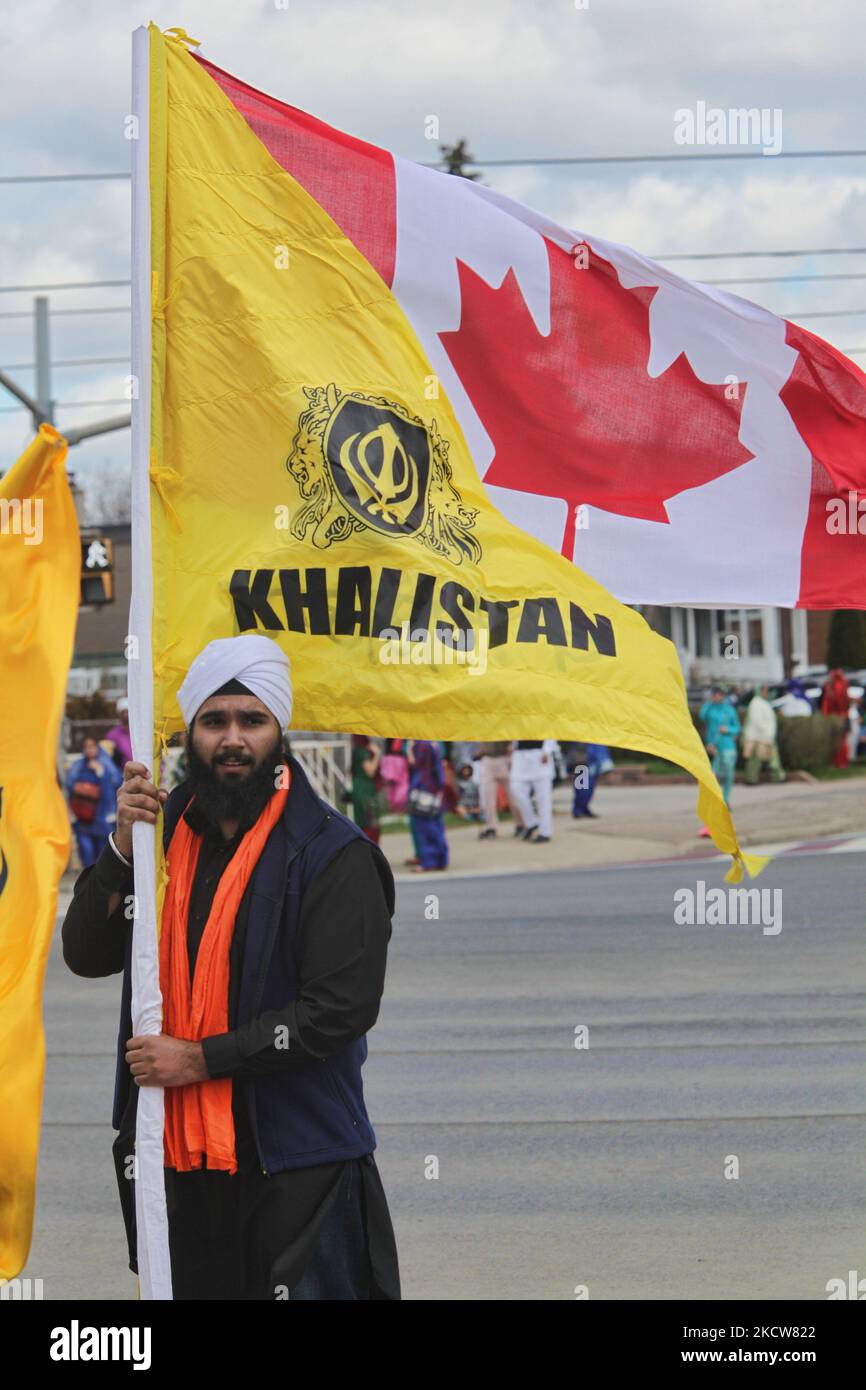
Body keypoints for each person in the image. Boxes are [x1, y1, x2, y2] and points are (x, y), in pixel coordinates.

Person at [61, 633, 400, 1300]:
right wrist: (121, 853)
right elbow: (86, 953)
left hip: (298, 1162)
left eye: (252, 720)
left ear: (280, 731)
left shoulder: (334, 854)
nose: (233, 739)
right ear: (192, 733)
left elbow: (338, 1012)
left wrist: (201, 1058)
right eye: (214, 721)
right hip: (174, 1160)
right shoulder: (160, 831)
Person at [65, 733, 123, 867]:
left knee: (102, 854)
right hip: (83, 817)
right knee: (87, 853)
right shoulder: (78, 765)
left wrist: (101, 772)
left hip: (102, 816)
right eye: (87, 747)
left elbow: (116, 782)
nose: (90, 749)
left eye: (92, 746)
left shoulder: (106, 763)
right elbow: (70, 785)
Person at [697, 688, 740, 835]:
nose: (717, 696)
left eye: (720, 694)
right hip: (714, 747)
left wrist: (727, 729)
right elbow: (702, 716)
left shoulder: (729, 710)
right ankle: (717, 804)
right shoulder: (710, 709)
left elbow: (737, 728)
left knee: (728, 774)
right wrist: (709, 702)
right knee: (714, 777)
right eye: (715, 694)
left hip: (728, 747)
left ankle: (726, 800)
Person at [407, 738, 449, 871]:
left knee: (426, 828)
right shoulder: (433, 743)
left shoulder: (421, 745)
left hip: (424, 789)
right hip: (434, 789)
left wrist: (409, 750)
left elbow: (417, 765)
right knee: (437, 826)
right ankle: (441, 859)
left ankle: (429, 862)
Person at [509, 739, 555, 843]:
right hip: (520, 756)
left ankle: (545, 832)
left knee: (543, 799)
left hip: (539, 755)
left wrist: (547, 751)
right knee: (515, 789)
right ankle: (531, 822)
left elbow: (551, 732)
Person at [474, 741, 522, 839]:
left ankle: (520, 824)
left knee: (512, 796)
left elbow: (512, 743)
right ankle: (492, 827)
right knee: (487, 797)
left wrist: (510, 755)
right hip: (487, 759)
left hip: (504, 758)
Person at [741, 685, 785, 785]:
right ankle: (751, 779)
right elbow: (758, 721)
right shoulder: (756, 703)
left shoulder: (762, 703)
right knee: (756, 760)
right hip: (759, 738)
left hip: (765, 737)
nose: (767, 692)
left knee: (771, 759)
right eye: (765, 690)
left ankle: (777, 777)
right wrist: (767, 733)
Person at [350, 735, 383, 844]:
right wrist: (377, 754)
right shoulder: (363, 751)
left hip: (360, 789)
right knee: (370, 824)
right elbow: (370, 771)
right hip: (365, 792)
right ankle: (372, 853)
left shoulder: (357, 749)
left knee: (365, 823)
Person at [821, 668, 851, 768]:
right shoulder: (842, 684)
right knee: (841, 741)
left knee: (837, 741)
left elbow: (830, 703)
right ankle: (841, 762)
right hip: (842, 716)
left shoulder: (835, 686)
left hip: (836, 717)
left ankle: (838, 762)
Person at [571, 743, 610, 818]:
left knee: (580, 788)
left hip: (580, 762)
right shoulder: (594, 738)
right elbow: (597, 754)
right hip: (587, 764)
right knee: (585, 789)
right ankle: (580, 809)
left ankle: (580, 809)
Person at [104, 696, 133, 771]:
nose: (126, 715)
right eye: (123, 712)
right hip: (124, 774)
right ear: (119, 714)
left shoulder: (140, 733)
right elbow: (107, 757)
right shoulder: (112, 735)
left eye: (128, 711)